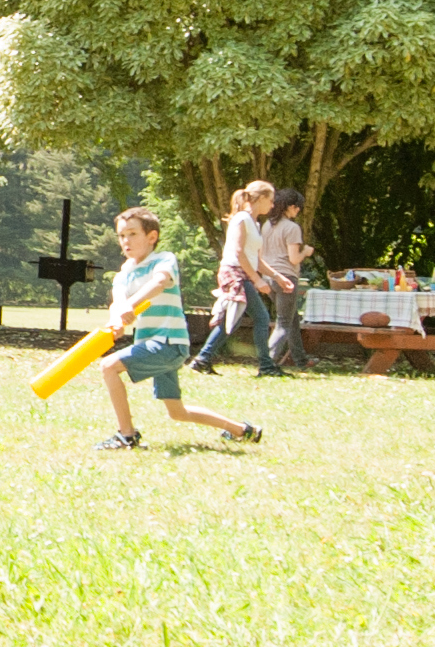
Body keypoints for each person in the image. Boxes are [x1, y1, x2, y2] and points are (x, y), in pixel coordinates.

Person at [89, 205, 252, 451]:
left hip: (168, 343)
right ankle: (243, 430)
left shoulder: (163, 260)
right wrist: (116, 320)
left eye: (132, 234)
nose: (126, 241)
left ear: (151, 237)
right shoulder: (124, 272)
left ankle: (126, 435)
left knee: (108, 367)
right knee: (177, 412)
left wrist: (130, 305)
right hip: (150, 344)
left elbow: (160, 282)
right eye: (122, 235)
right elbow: (118, 301)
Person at [188, 181, 268, 374]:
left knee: (233, 319)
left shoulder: (255, 223)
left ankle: (202, 359)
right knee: (261, 317)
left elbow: (256, 260)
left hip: (243, 273)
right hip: (234, 273)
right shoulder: (242, 218)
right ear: (261, 198)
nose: (273, 205)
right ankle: (267, 365)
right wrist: (257, 280)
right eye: (271, 200)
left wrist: (278, 277)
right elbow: (239, 253)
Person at [253, 182, 309, 371]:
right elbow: (294, 258)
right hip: (286, 277)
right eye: (297, 207)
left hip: (269, 276)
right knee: (283, 322)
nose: (298, 211)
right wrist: (306, 252)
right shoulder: (292, 228)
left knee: (291, 318)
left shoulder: (266, 226)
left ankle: (301, 359)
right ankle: (267, 361)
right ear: (290, 207)